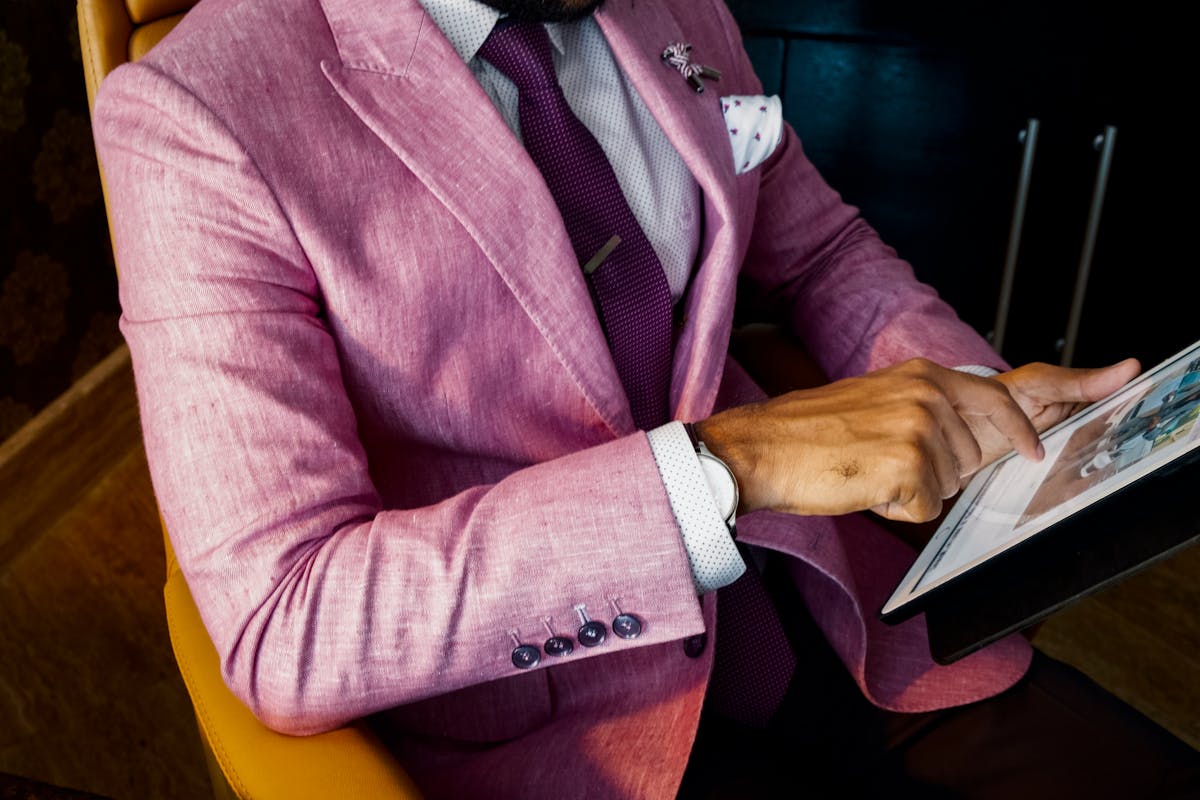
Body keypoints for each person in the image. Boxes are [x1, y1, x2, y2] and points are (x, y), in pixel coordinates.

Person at [92, 0, 1198, 795]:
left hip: (835, 623)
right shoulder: (196, 115)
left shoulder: (677, 9)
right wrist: (730, 464)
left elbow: (817, 250)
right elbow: (290, 618)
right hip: (552, 736)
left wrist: (973, 400)